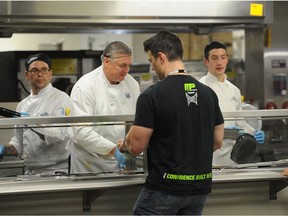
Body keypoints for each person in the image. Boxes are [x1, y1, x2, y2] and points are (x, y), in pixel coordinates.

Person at [119, 31, 224, 215]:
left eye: (151, 61)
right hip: (199, 188)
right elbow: (217, 142)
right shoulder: (209, 94)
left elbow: (136, 146)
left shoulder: (151, 96)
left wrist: (125, 143)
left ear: (161, 57)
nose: (153, 68)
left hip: (165, 188)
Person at [69, 41, 140, 174]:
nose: (127, 70)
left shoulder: (132, 84)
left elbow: (137, 120)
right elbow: (81, 131)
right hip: (90, 162)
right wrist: (113, 150)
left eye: (129, 65)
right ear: (106, 62)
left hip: (124, 158)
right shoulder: (85, 86)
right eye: (122, 65)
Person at [0, 53, 72, 175]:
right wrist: (5, 149)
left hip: (56, 171)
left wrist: (31, 122)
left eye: (44, 70)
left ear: (50, 73)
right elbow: (19, 143)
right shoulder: (22, 105)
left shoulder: (61, 98)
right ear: (27, 75)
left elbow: (57, 136)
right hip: (30, 172)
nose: (40, 74)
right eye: (34, 70)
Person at [199, 41, 265, 167]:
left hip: (233, 158)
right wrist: (226, 131)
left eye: (223, 57)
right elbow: (197, 126)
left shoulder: (234, 90)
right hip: (211, 157)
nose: (219, 62)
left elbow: (240, 123)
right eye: (214, 58)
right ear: (206, 62)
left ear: (227, 60)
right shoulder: (201, 87)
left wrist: (253, 132)